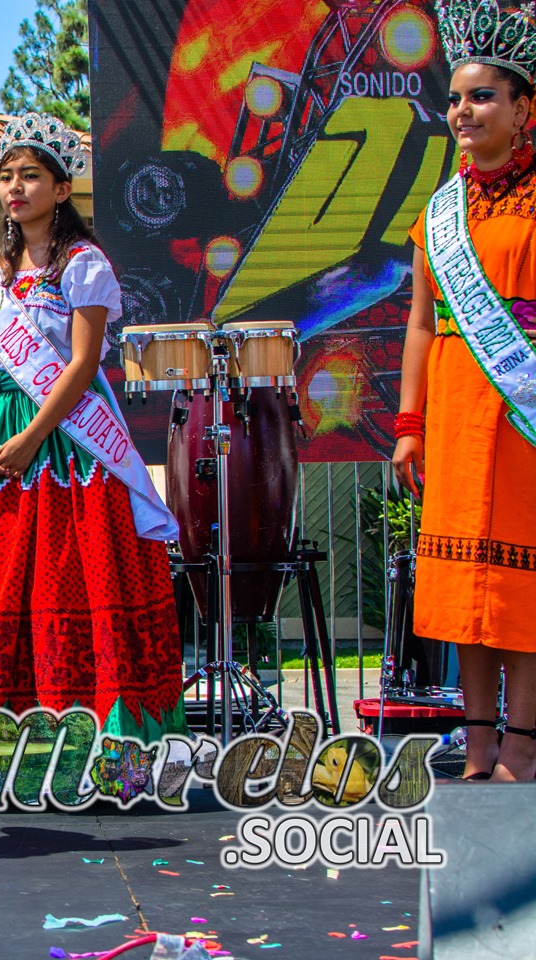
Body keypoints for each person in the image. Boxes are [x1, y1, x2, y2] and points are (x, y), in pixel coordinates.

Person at [0, 113, 188, 746]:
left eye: (29, 175)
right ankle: (8, 746)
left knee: (75, 576)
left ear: (60, 188)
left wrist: (29, 441)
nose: (14, 188)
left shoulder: (84, 263)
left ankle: (97, 743)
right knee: (1, 590)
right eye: (6, 177)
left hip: (68, 442)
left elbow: (81, 365)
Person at [392, 0, 536, 782]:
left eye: (482, 97)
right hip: (452, 407)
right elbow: (419, 325)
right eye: (454, 98)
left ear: (523, 109)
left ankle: (525, 740)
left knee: (519, 587)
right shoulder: (439, 213)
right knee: (462, 589)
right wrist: (410, 424)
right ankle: (477, 737)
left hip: (524, 414)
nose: (463, 111)